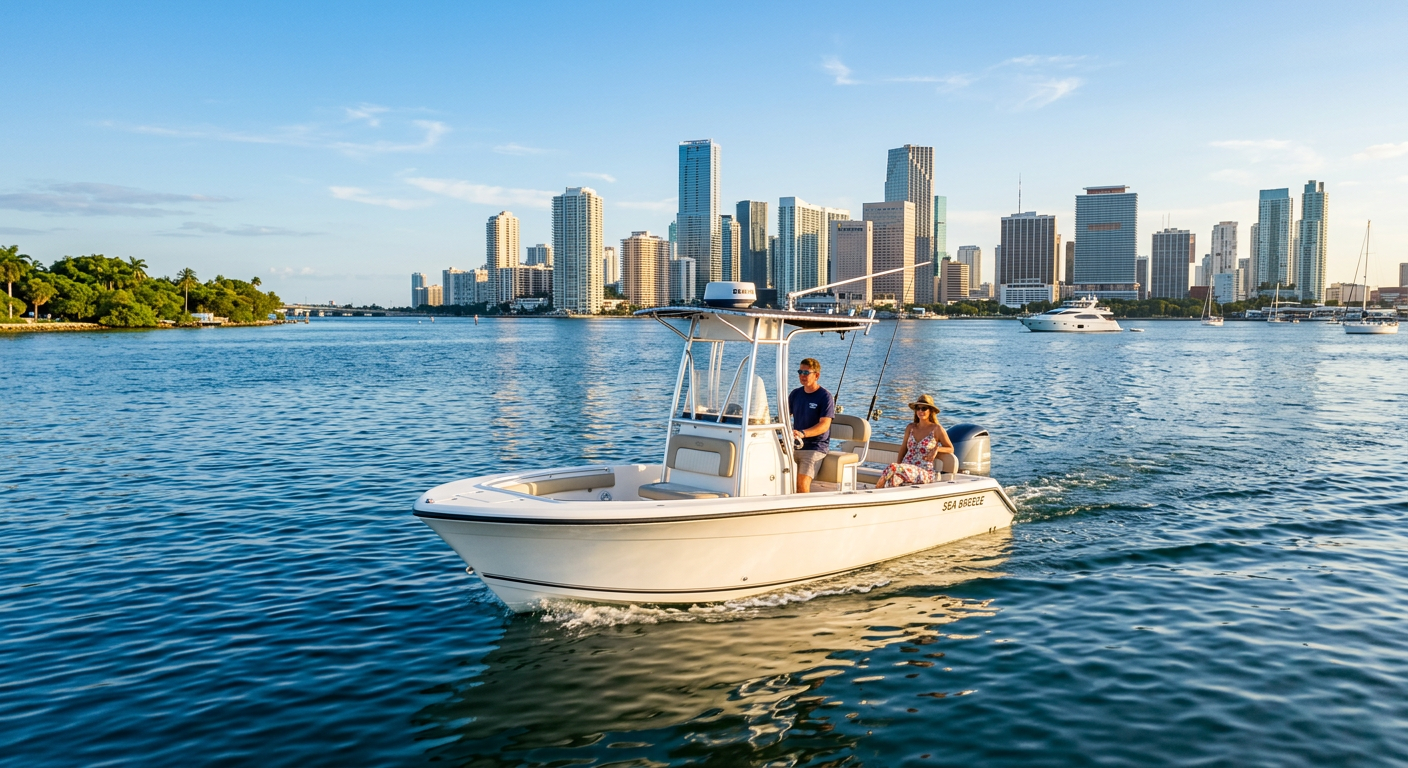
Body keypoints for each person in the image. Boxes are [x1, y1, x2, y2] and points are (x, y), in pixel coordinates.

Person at [875, 394, 954, 488]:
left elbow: (950, 448)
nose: (920, 411)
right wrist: (899, 467)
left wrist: (937, 449)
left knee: (893, 467)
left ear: (930, 411)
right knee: (893, 477)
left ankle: (875, 491)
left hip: (923, 471)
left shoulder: (937, 429)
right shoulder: (910, 428)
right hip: (906, 468)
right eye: (918, 408)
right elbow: (903, 449)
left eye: (924, 408)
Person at [788, 357, 834, 493]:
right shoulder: (795, 394)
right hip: (794, 445)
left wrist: (803, 433)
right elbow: (784, 416)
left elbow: (824, 425)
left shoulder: (825, 397)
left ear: (817, 375)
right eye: (800, 372)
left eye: (806, 373)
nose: (802, 376)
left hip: (815, 447)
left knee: (801, 484)